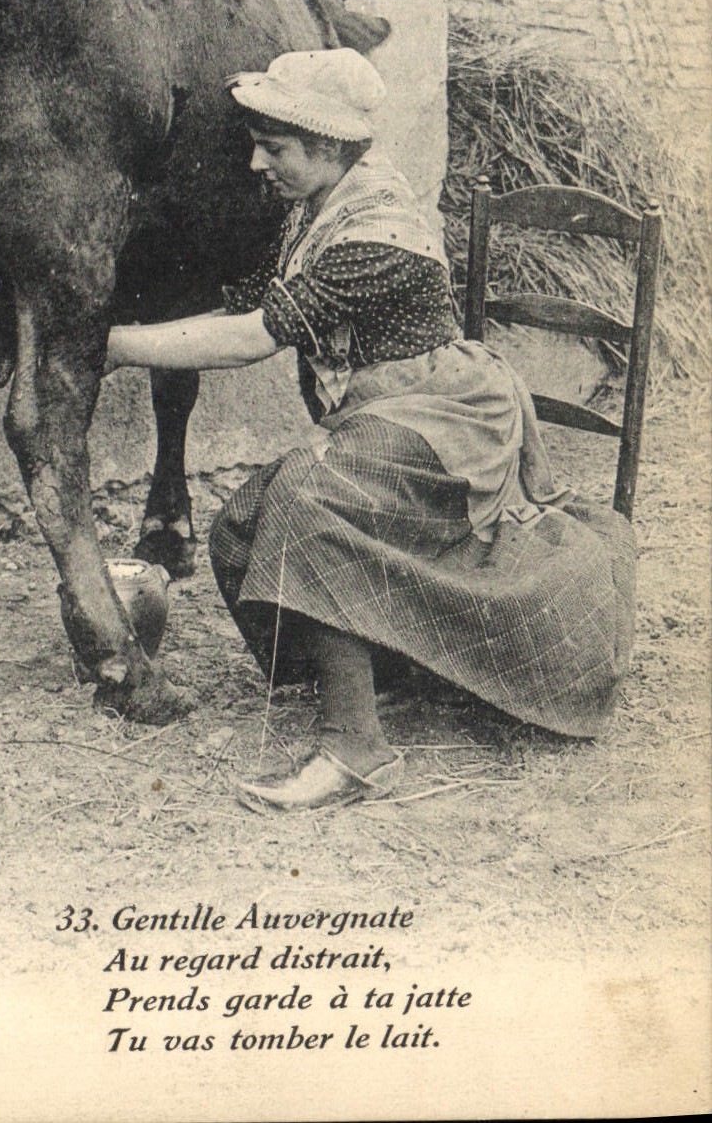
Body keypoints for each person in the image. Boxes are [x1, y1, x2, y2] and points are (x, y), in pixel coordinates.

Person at [105, 49, 636, 811]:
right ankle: (385, 666)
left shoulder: (376, 228)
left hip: (447, 417)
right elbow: (242, 302)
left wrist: (113, 347)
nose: (256, 161)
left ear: (328, 146)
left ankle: (357, 749)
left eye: (274, 146)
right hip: (386, 414)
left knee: (305, 501)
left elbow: (255, 334)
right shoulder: (311, 212)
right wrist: (119, 319)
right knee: (237, 529)